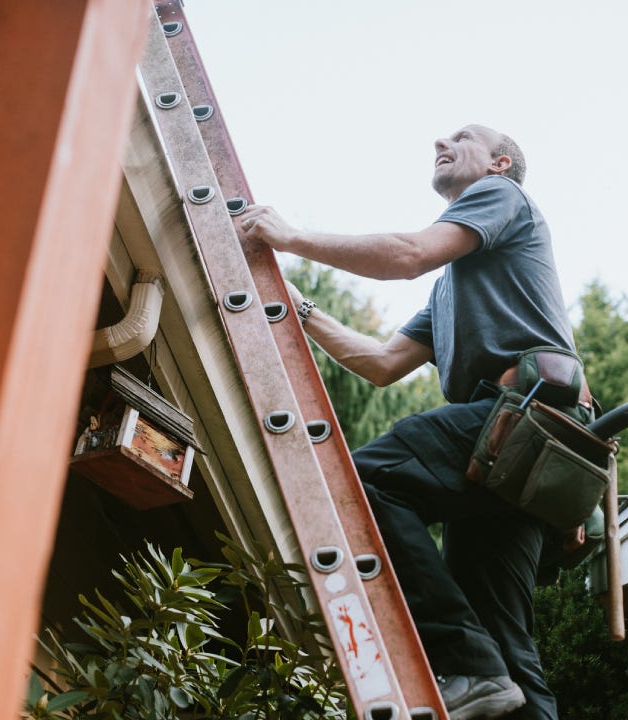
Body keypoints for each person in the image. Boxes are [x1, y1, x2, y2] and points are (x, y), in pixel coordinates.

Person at [241, 124, 577, 720]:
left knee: (364, 482)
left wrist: (289, 237)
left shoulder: (504, 197)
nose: (439, 141)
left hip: (528, 423)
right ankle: (483, 669)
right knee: (508, 652)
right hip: (517, 452)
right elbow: (381, 362)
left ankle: (466, 662)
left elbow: (407, 255)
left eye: (461, 136)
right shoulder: (456, 283)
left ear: (500, 164)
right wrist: (298, 305)